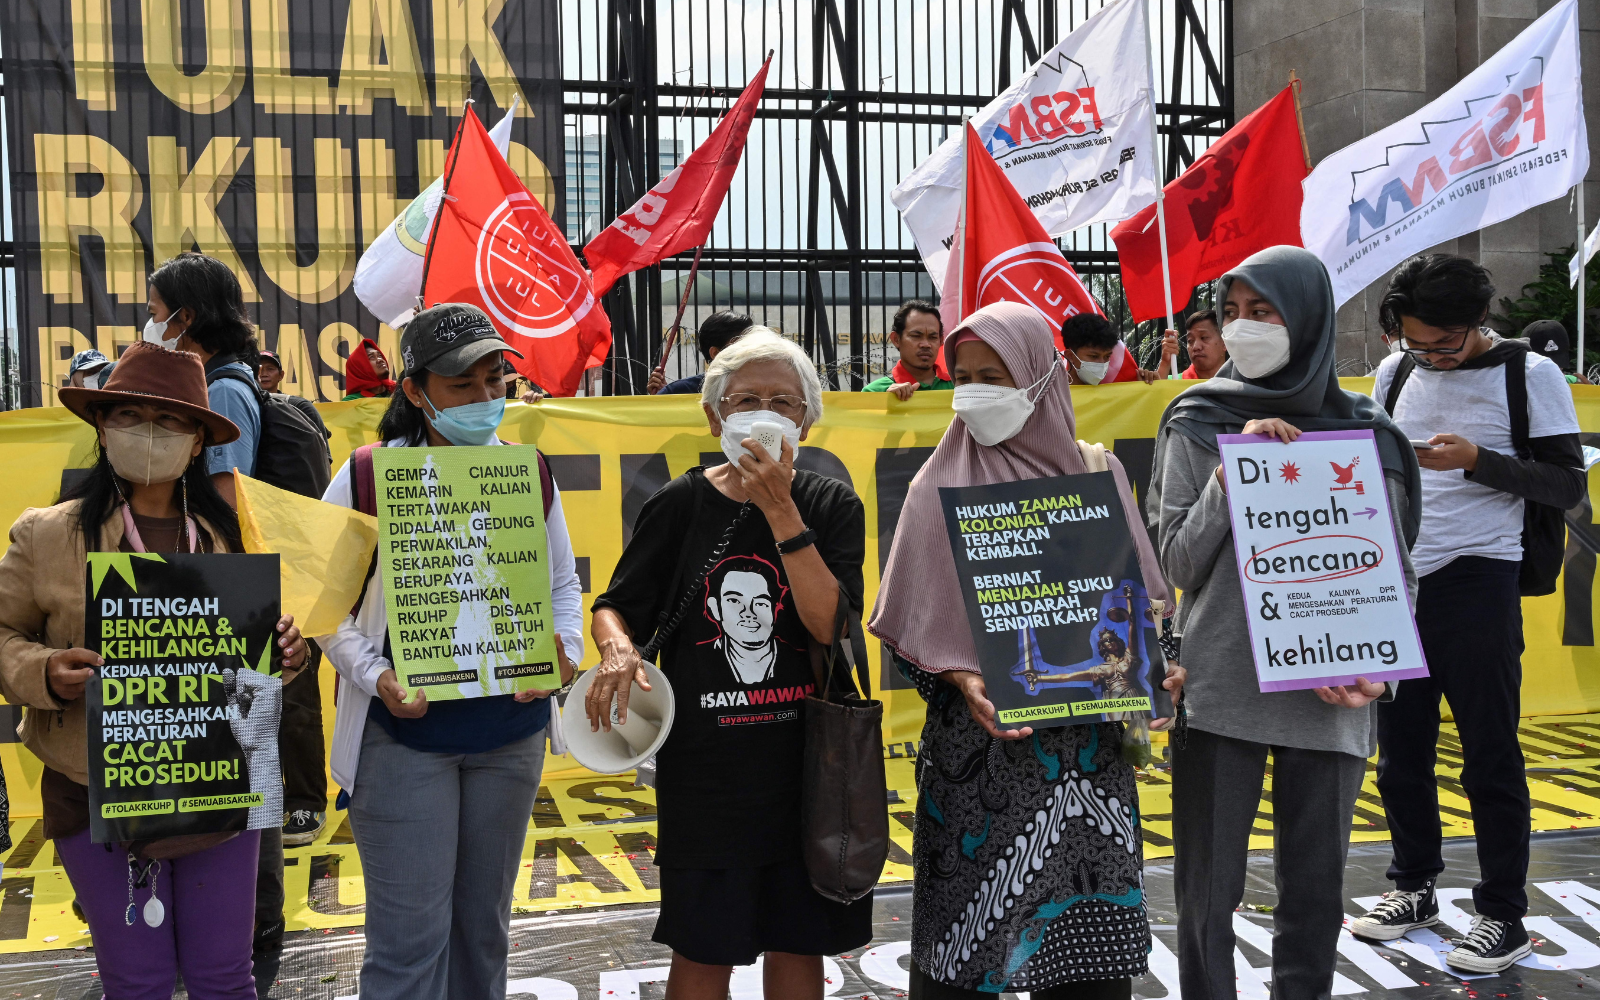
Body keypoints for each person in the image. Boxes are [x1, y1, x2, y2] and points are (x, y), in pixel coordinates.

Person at [868, 301, 1180, 998]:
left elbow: (1139, 618)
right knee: (961, 959)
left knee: (1086, 970)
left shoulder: (1095, 476)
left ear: (1043, 378)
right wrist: (957, 677)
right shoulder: (935, 485)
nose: (973, 391)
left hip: (1091, 773)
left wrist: (1158, 674)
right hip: (978, 770)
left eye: (995, 375)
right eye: (965, 374)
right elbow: (912, 638)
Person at [1147, 245, 1423, 1000]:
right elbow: (1175, 560)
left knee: (1314, 893)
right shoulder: (1197, 418)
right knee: (1207, 891)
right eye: (1231, 312)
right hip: (1222, 691)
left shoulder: (1371, 431)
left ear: (1305, 320)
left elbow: (1395, 572)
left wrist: (1380, 673)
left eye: (1262, 312)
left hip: (1334, 694)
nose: (1242, 329)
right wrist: (1228, 479)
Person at [0, 341, 308, 999]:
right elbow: (3, 635)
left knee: (224, 976)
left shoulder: (232, 534)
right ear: (101, 428)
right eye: (129, 415)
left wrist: (285, 656)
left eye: (169, 421)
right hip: (95, 792)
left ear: (199, 441)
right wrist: (45, 670)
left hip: (219, 787)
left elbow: (256, 669)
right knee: (135, 980)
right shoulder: (45, 535)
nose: (147, 433)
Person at [588, 328, 869, 997]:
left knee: (799, 944)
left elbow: (829, 623)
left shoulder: (832, 506)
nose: (765, 413)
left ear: (808, 417)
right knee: (703, 949)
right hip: (708, 774)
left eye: (783, 401)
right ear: (715, 416)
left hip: (809, 769)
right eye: (747, 400)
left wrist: (780, 512)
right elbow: (614, 605)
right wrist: (617, 647)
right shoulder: (680, 504)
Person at [318, 303, 583, 1000]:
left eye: (496, 381)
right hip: (405, 742)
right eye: (462, 386)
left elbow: (561, 582)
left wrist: (566, 655)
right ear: (415, 390)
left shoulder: (530, 473)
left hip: (511, 737)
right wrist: (375, 678)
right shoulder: (370, 475)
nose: (485, 399)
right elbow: (323, 606)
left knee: (484, 934)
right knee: (409, 947)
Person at [1348, 255, 1586, 972]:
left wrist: (1480, 460)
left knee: (1488, 752)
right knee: (1400, 753)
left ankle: (1503, 914)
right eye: (1417, 344)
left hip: (1481, 576)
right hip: (1401, 578)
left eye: (1444, 345)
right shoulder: (1395, 373)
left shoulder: (1530, 377)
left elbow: (1566, 482)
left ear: (1477, 323)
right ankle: (1413, 885)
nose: (1430, 357)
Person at [142, 252, 260, 510]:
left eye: (154, 313)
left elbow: (227, 504)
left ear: (186, 316)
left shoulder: (224, 393)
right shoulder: (209, 384)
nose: (151, 325)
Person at [646, 310, 755, 395]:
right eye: (743, 345)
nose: (753, 351)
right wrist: (663, 401)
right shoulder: (680, 391)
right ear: (716, 353)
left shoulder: (766, 388)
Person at [864, 299, 952, 400]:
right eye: (916, 336)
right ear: (896, 339)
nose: (926, 344)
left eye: (933, 337)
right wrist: (885, 403)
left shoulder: (957, 388)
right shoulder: (873, 393)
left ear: (941, 341)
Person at [1060, 314, 1177, 385]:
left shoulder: (1114, 390)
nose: (1102, 364)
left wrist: (1165, 364)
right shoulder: (1052, 394)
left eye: (1107, 356)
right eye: (1093, 356)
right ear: (1070, 356)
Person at [1521, 319, 1590, 384]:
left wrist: (1590, 393)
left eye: (1559, 363)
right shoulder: (1514, 385)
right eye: (1545, 366)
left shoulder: (1575, 381)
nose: (1555, 370)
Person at [1179, 309, 1228, 379]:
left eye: (1204, 338)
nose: (1195, 347)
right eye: (1190, 341)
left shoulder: (1241, 384)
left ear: (1224, 342)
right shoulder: (1171, 382)